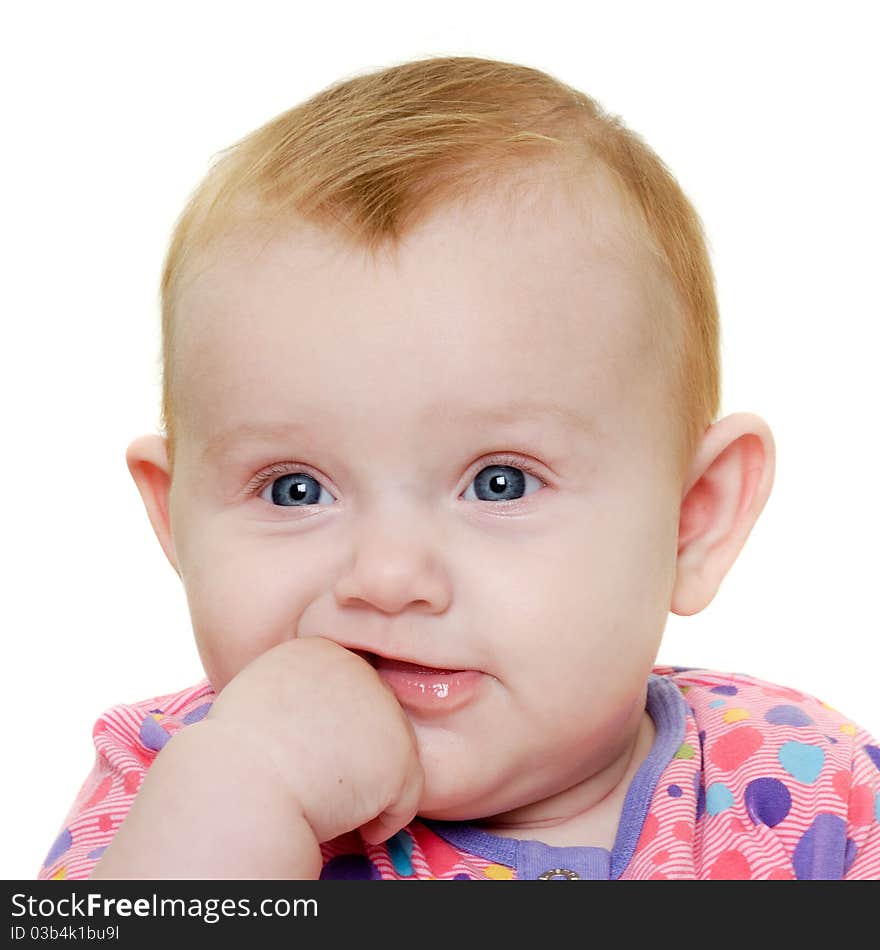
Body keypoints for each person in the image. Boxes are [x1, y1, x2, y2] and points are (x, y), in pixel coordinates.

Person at [38, 55, 880, 881]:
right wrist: (241, 797)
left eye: (499, 482)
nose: (388, 577)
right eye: (294, 489)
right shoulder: (170, 787)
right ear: (173, 518)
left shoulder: (817, 786)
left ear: (694, 516)